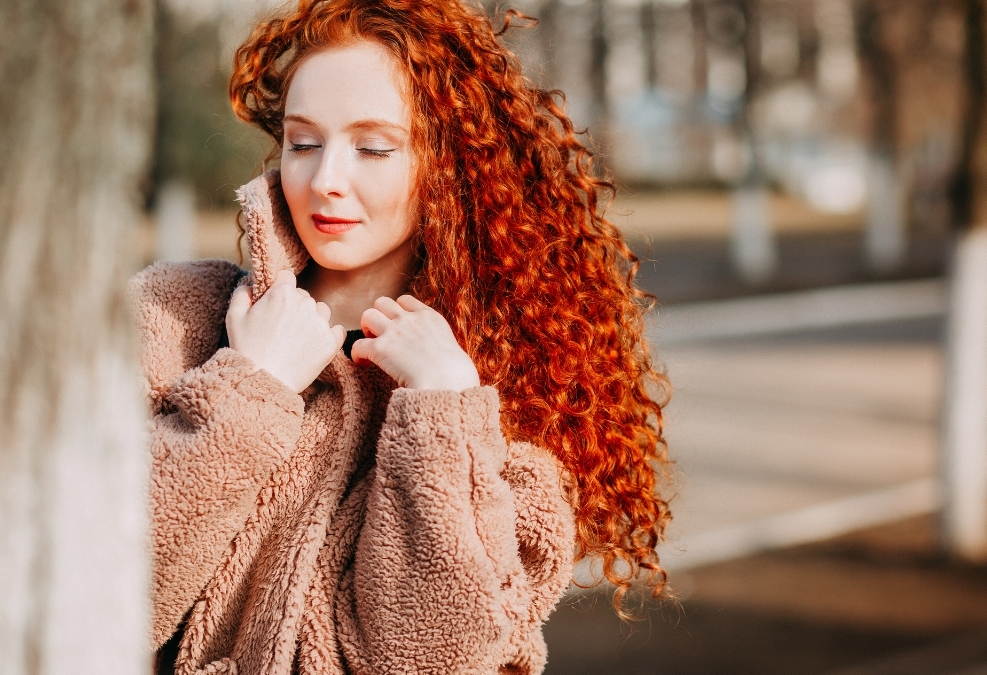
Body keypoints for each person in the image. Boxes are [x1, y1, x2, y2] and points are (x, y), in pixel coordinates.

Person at [133, 0, 670, 673]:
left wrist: (441, 416)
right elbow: (87, 591)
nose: (325, 179)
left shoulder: (505, 411)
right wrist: (248, 391)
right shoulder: (174, 318)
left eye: (373, 147)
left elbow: (423, 657)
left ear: (448, 165)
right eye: (303, 142)